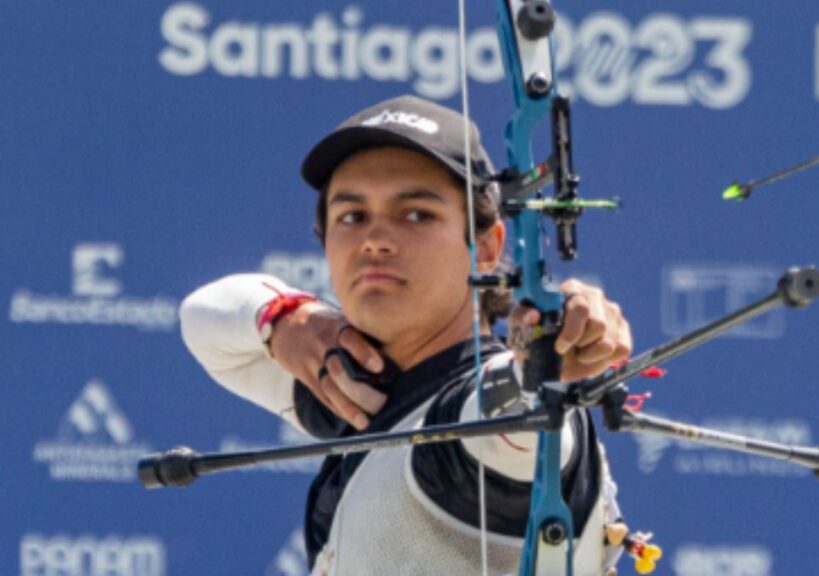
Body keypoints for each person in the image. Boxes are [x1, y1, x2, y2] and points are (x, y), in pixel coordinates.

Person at [179, 95, 633, 575]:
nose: (375, 239)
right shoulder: (352, 389)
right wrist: (287, 319)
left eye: (417, 214)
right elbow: (202, 320)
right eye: (352, 216)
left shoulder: (473, 412)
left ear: (485, 246)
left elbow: (511, 415)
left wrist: (545, 354)